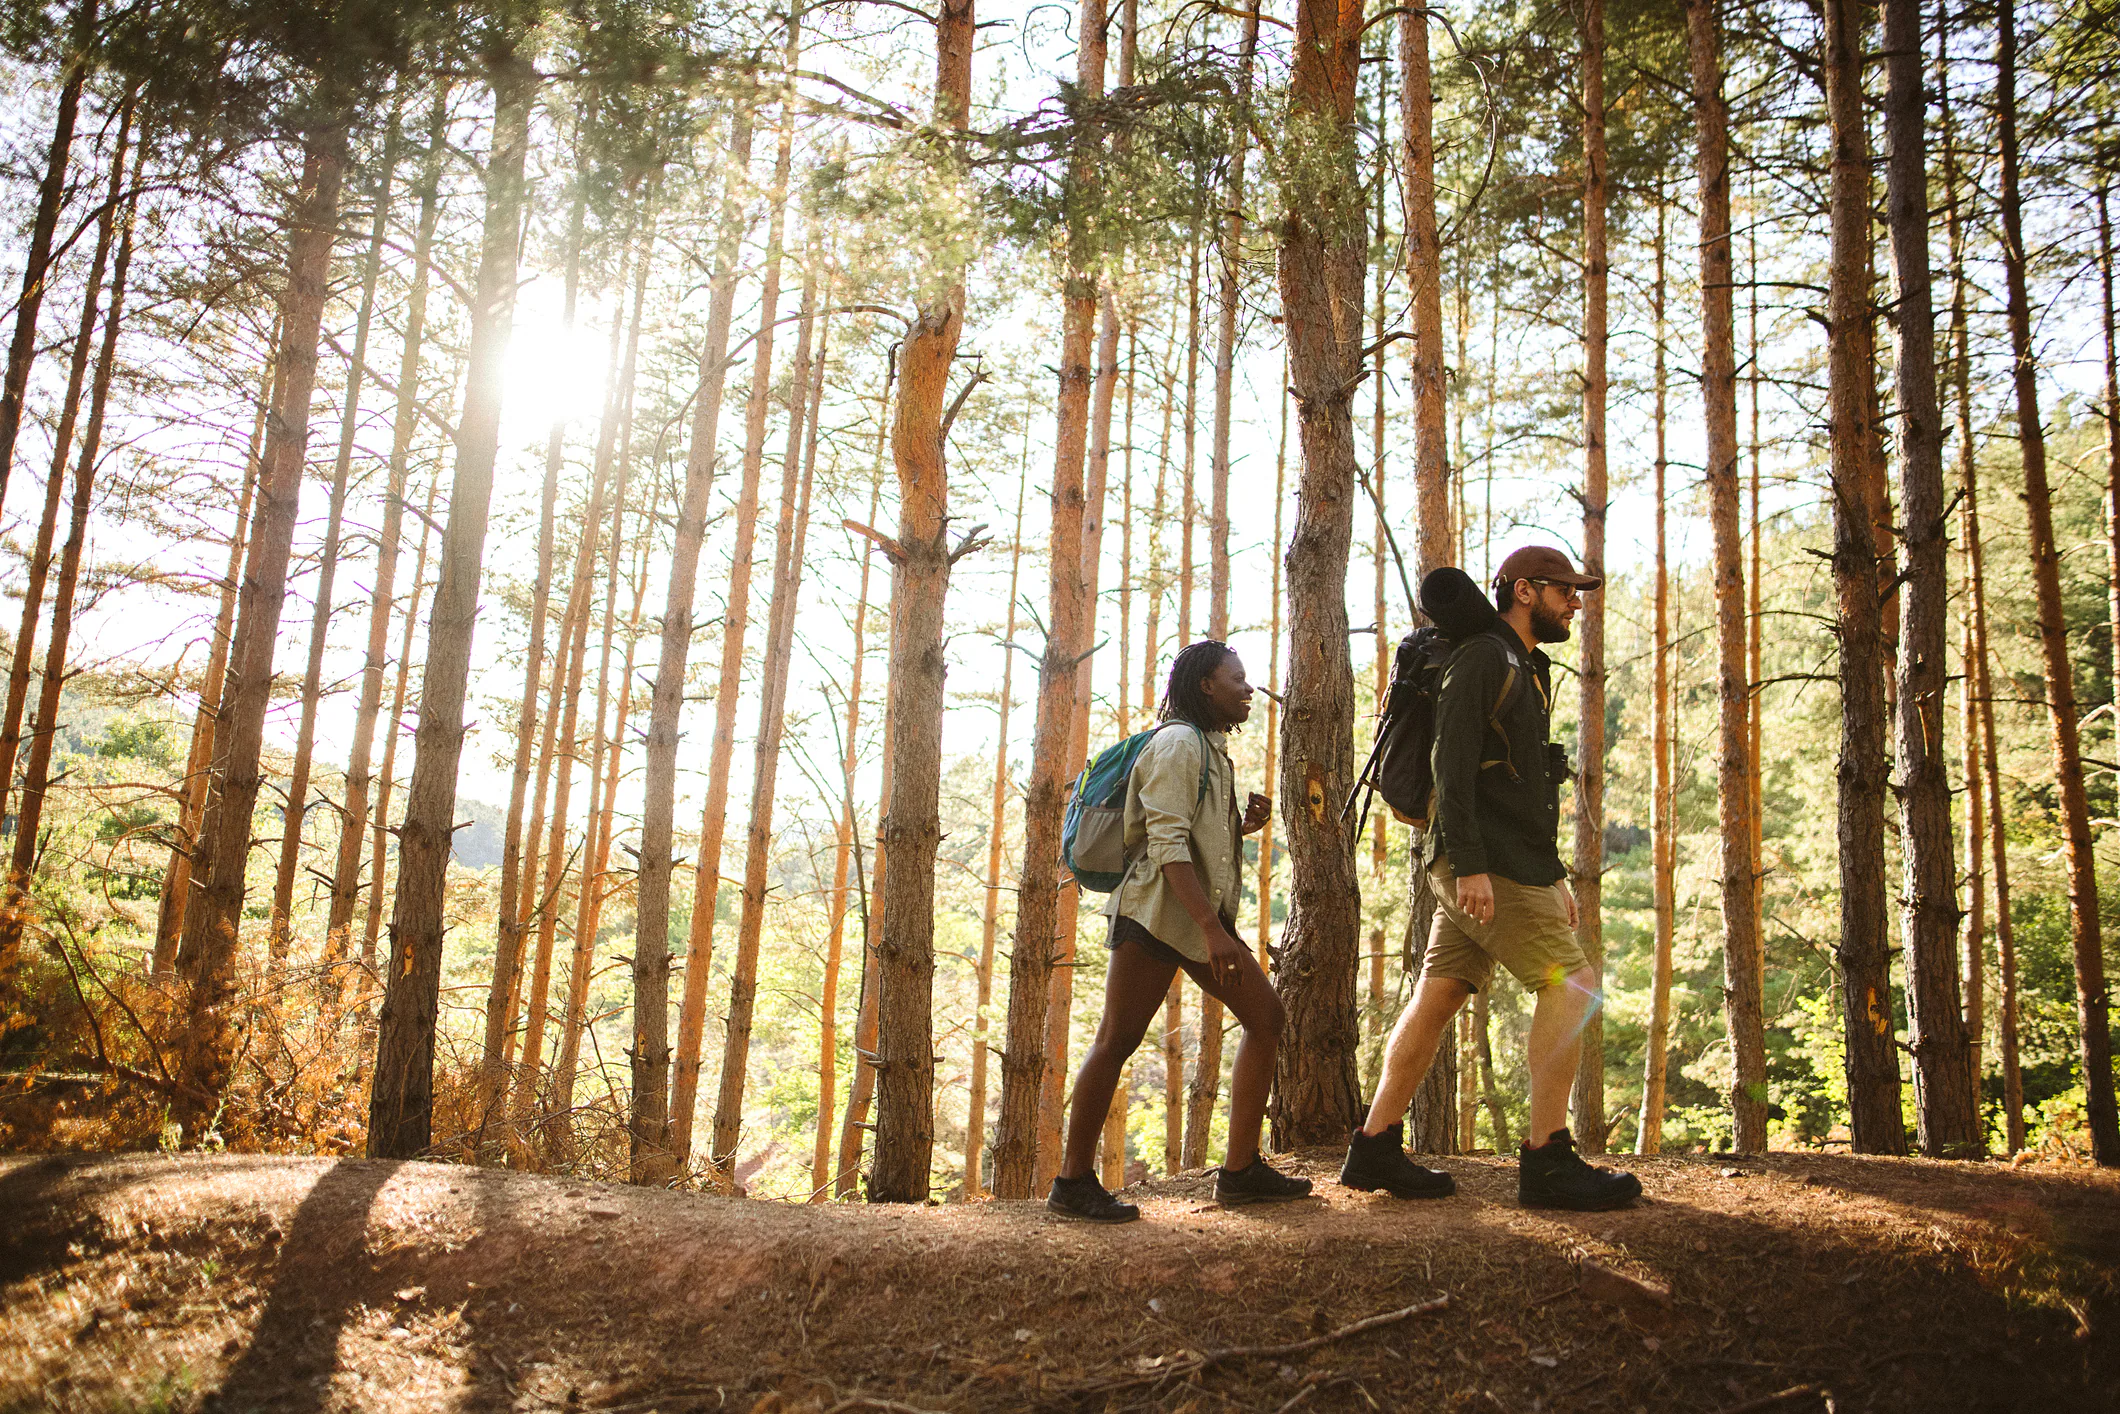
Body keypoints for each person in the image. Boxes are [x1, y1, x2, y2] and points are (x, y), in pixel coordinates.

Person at [1340, 546, 1643, 1211]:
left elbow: (1520, 784)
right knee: (1575, 984)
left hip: (1506, 858)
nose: (1577, 604)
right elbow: (1451, 767)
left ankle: (1374, 1146)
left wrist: (1553, 873)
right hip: (1482, 862)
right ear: (1527, 591)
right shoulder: (1484, 657)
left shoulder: (1520, 665)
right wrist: (1471, 864)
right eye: (1567, 591)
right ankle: (1547, 1159)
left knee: (1440, 994)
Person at [1047, 640, 1312, 1223]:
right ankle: (1071, 1183)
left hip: (1191, 918)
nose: (1249, 689)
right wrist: (1214, 933)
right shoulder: (1176, 744)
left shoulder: (1210, 749)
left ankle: (1240, 1172)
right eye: (1237, 679)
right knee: (1116, 1041)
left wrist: (1240, 826)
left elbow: (1190, 836)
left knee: (1266, 1019)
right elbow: (1164, 843)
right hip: (1155, 917)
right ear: (1205, 686)